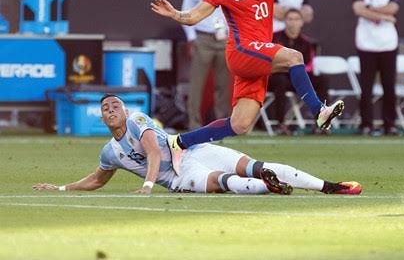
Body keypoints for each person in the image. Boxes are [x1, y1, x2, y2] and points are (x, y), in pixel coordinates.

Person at [151, 0, 344, 173]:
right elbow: (193, 17)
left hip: (259, 54)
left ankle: (178, 143)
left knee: (239, 124)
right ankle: (319, 112)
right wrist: (176, 14)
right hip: (242, 51)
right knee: (294, 56)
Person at [32, 94, 362, 195]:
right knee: (221, 182)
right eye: (106, 109)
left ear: (125, 110)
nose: (111, 109)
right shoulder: (110, 152)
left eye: (115, 104)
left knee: (252, 164)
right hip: (178, 177)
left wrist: (147, 185)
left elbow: (152, 150)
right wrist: (61, 189)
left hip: (190, 152)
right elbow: (97, 179)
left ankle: (329, 187)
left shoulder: (138, 120)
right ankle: (268, 187)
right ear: (103, 121)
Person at [182, 0, 231, 130]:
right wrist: (192, 38)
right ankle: (194, 123)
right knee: (197, 84)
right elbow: (185, 13)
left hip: (223, 37)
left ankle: (221, 124)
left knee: (223, 84)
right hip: (202, 37)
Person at [352, 0, 400, 136]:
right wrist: (384, 16)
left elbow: (392, 8)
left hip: (388, 44)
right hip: (366, 44)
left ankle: (390, 124)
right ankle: (366, 124)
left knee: (389, 86)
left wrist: (370, 8)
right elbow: (358, 9)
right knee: (366, 87)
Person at [269, 8, 329, 135]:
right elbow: (270, 60)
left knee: (322, 80)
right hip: (279, 76)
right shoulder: (274, 38)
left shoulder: (306, 43)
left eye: (296, 19)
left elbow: (309, 65)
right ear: (284, 21)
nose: (293, 22)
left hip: (298, 77)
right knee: (279, 81)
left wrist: (294, 69)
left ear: (301, 22)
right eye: (290, 19)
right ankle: (280, 124)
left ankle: (321, 122)